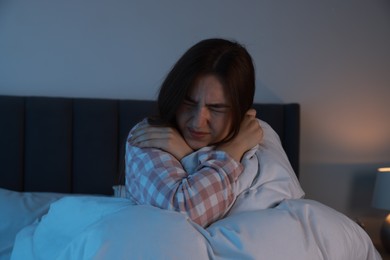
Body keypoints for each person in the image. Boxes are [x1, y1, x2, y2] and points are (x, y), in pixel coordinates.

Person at [125, 38, 263, 227]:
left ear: (241, 110)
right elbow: (184, 213)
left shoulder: (257, 133)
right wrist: (234, 149)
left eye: (216, 108)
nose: (198, 121)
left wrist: (187, 155)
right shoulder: (150, 136)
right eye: (188, 102)